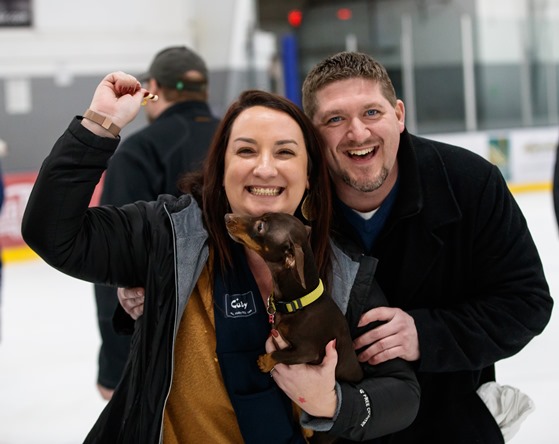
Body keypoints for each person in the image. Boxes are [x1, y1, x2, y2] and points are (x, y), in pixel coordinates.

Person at [21, 72, 420, 443]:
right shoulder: (168, 236)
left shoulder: (342, 268)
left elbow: (401, 394)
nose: (265, 168)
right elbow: (53, 234)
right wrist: (98, 126)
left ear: (310, 174)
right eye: (246, 150)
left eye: (284, 152)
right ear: (222, 167)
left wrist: (334, 404)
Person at [299, 51, 553, 443]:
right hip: (336, 430)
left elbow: (526, 303)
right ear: (312, 135)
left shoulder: (469, 183)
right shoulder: (295, 206)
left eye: (371, 112)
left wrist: (426, 334)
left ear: (399, 115)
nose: (358, 133)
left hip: (450, 421)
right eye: (335, 119)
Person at [93, 45, 219, 400]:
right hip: (243, 336)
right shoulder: (240, 141)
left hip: (164, 349)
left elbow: (113, 259)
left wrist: (115, 365)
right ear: (205, 89)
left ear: (153, 88)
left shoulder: (139, 151)